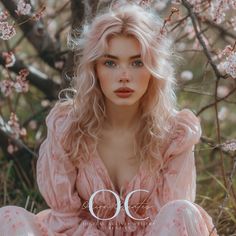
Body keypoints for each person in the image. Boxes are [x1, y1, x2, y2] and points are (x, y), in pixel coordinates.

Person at [0, 2, 218, 236]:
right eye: (110, 63)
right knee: (7, 217)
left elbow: (169, 221)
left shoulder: (175, 134)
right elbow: (65, 218)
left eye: (137, 62)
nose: (124, 76)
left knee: (182, 211)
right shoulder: (67, 127)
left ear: (154, 69)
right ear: (94, 69)